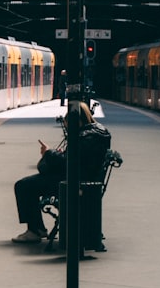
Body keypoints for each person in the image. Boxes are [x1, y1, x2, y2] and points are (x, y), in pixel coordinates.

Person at [12, 100, 110, 243]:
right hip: (84, 177)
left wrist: (48, 153)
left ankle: (35, 230)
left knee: (23, 186)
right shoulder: (97, 132)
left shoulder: (86, 136)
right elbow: (74, 159)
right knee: (28, 183)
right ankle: (36, 229)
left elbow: (68, 163)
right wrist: (58, 154)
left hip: (73, 181)